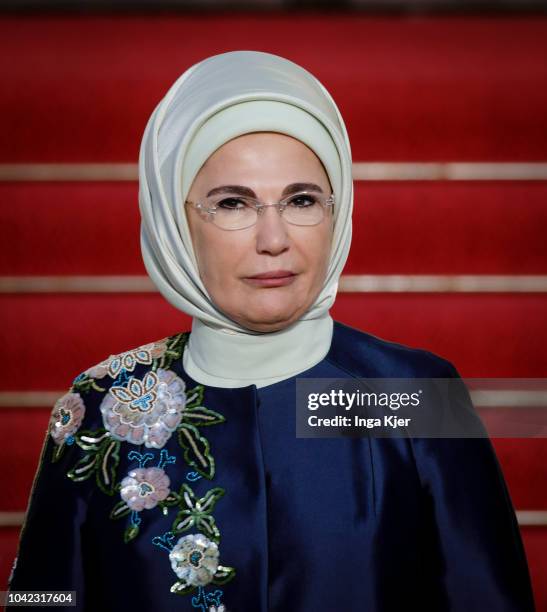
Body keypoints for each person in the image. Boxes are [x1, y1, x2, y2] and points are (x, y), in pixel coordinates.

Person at [6, 50, 535, 612]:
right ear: (173, 222)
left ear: (339, 211)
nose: (274, 238)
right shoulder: (101, 406)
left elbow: (489, 597)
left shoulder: (412, 394)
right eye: (233, 203)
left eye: (302, 200)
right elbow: (41, 596)